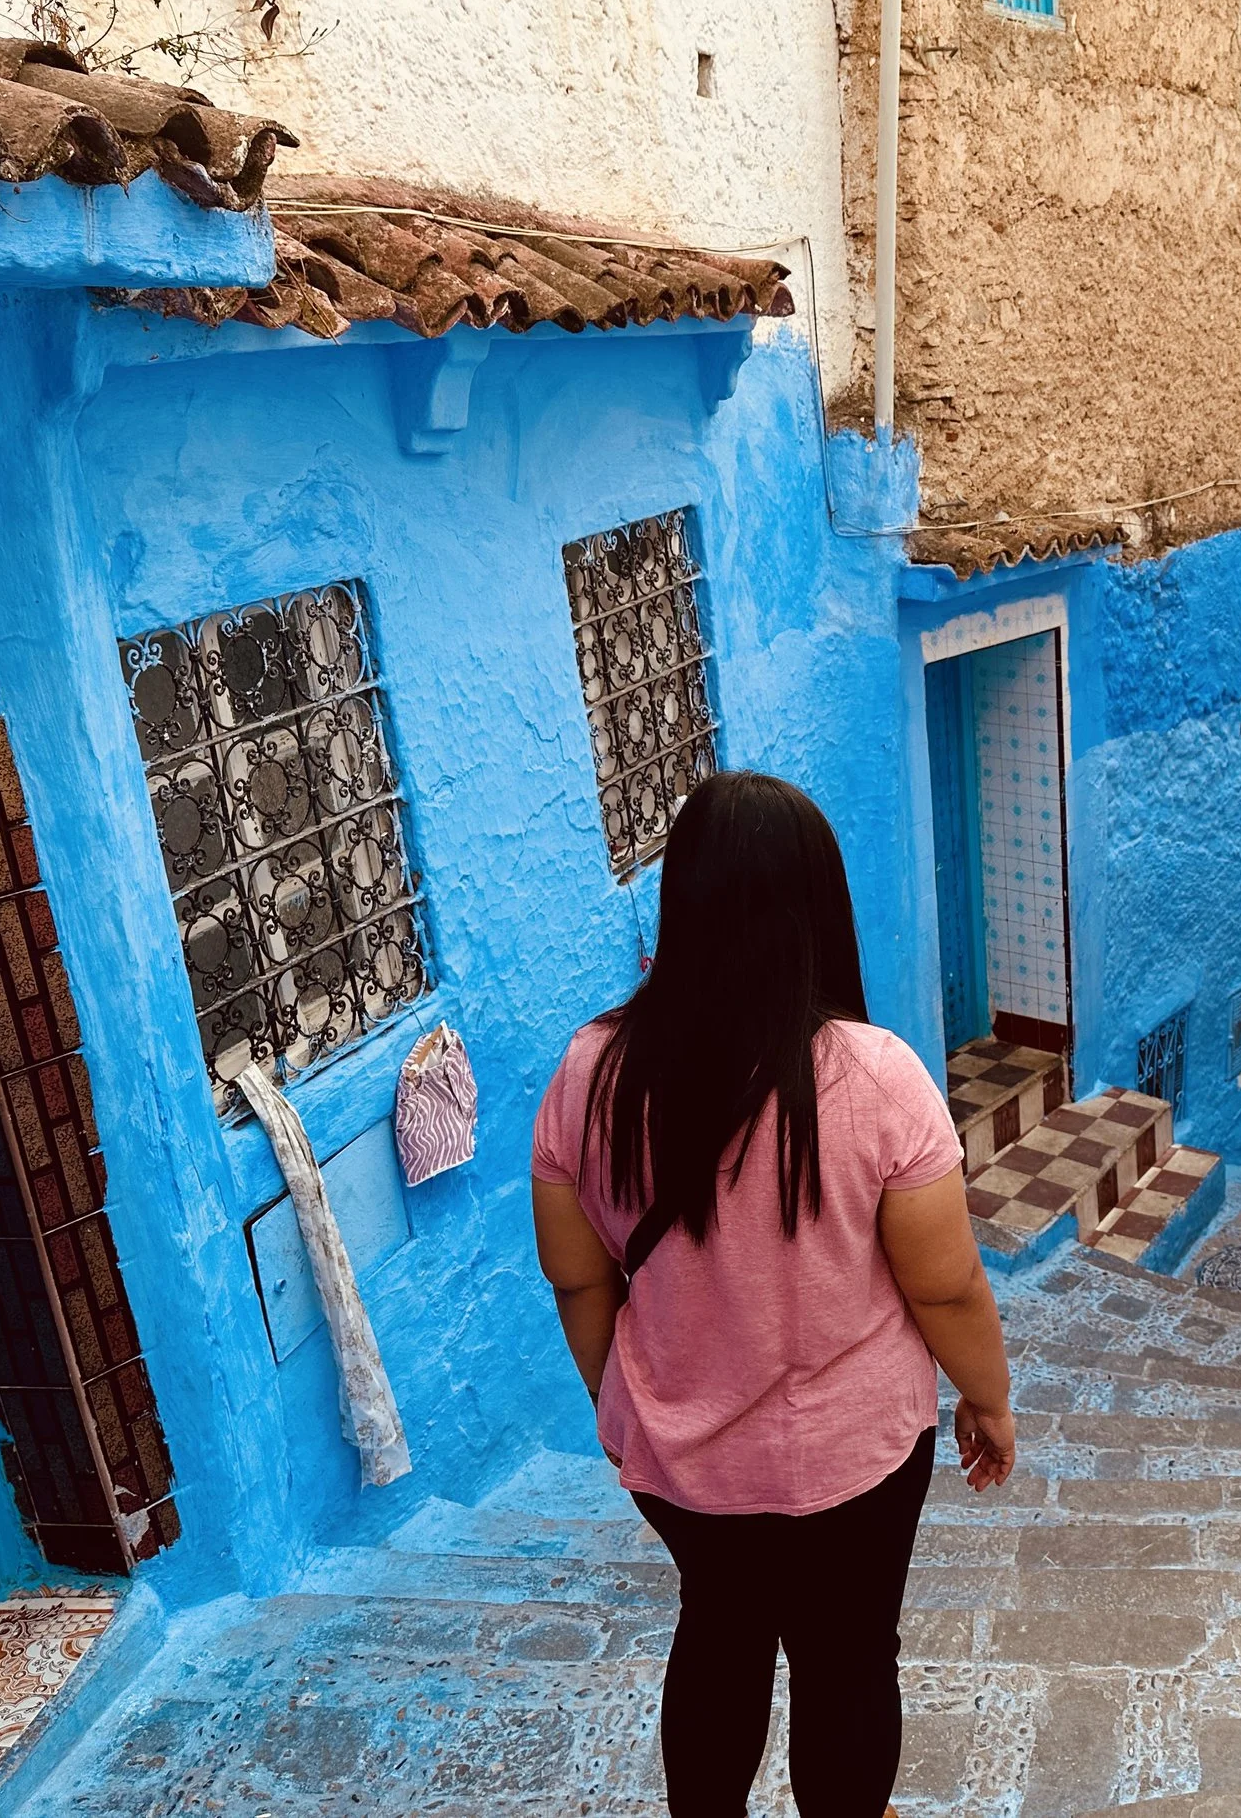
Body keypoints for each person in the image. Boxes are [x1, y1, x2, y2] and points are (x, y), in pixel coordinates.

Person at [530, 771, 1015, 1818]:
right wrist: (989, 1397)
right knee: (848, 1658)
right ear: (817, 907)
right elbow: (945, 1290)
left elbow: (576, 1275)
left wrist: (619, 1400)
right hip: (854, 1462)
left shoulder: (590, 1073)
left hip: (682, 1465)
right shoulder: (877, 1077)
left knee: (719, 1629)